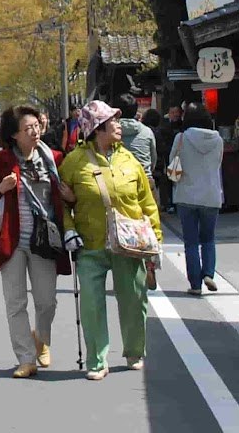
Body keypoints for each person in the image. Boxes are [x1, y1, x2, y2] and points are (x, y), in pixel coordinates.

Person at [59, 100, 162, 380]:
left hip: (129, 244)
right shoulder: (74, 162)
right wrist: (69, 229)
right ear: (97, 129)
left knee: (133, 299)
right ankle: (96, 360)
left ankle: (134, 351)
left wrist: (156, 239)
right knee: (91, 304)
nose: (119, 125)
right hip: (89, 243)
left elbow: (146, 202)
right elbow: (61, 203)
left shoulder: (129, 159)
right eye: (112, 122)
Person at [0, 105, 73, 378]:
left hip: (45, 240)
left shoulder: (54, 158)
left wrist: (70, 198)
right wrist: (0, 189)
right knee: (15, 302)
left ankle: (41, 337)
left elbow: (69, 195)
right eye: (28, 128)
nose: (35, 132)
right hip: (12, 241)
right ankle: (25, 358)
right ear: (15, 135)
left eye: (37, 126)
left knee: (47, 301)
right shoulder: (1, 162)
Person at [170, 105, 225, 295]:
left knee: (191, 242)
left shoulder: (181, 138)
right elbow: (218, 162)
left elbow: (172, 164)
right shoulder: (218, 139)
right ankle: (209, 273)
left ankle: (195, 285)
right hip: (211, 195)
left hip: (186, 195)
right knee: (208, 238)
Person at [117, 94, 157, 180]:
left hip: (118, 181)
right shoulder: (147, 131)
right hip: (144, 179)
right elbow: (153, 160)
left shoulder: (109, 132)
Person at [153, 109, 178, 213]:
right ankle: (170, 203)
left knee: (174, 180)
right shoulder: (164, 127)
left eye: (177, 112)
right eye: (173, 112)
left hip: (174, 157)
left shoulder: (180, 125)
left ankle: (171, 203)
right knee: (170, 180)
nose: (175, 114)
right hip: (169, 157)